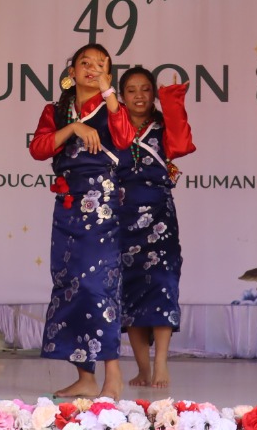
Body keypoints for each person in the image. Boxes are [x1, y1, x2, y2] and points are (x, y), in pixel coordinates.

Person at [29, 44, 134, 399]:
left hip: (101, 203)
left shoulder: (112, 107)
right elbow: (39, 149)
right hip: (68, 203)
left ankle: (113, 373)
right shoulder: (57, 111)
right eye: (84, 63)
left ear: (109, 74)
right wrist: (73, 127)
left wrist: (109, 93)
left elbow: (124, 139)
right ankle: (85, 377)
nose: (91, 68)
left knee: (98, 285)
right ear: (71, 72)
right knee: (71, 284)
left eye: (100, 65)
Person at [112, 67, 194, 389]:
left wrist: (172, 103)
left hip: (160, 218)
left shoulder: (163, 127)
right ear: (121, 96)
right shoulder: (112, 126)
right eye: (131, 90)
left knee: (162, 283)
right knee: (130, 289)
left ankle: (161, 362)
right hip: (123, 218)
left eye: (145, 89)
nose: (139, 96)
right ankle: (143, 368)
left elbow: (182, 144)